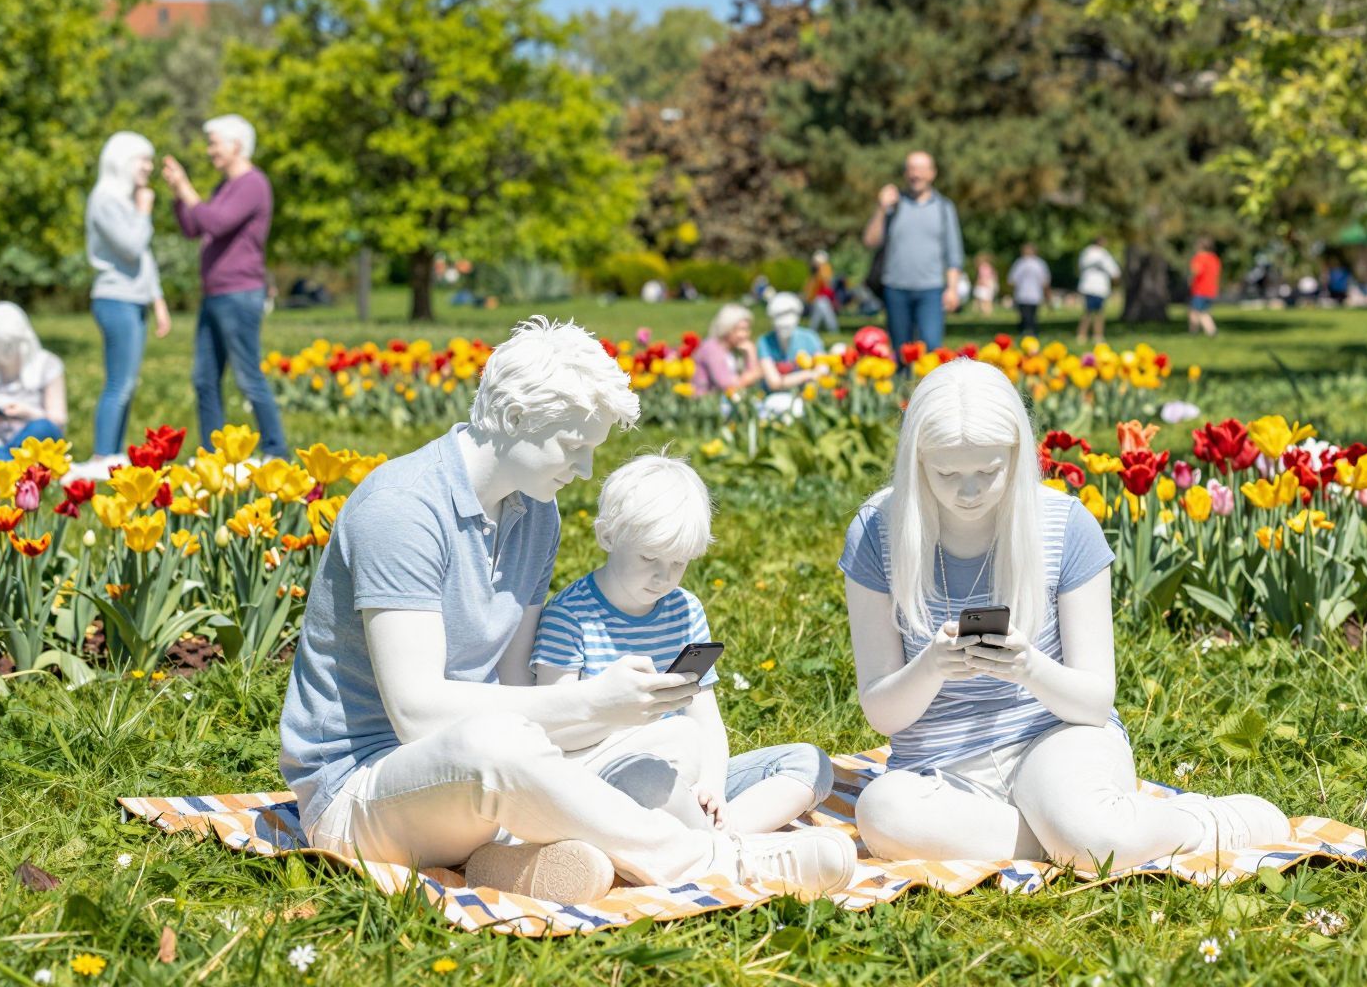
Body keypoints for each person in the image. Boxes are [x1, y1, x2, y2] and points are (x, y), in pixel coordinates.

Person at [278, 317, 855, 903]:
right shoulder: (403, 509)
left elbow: (513, 682)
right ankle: (715, 859)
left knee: (675, 743)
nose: (583, 470)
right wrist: (588, 702)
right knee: (498, 747)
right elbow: (417, 716)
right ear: (514, 417)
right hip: (361, 790)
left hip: (478, 777)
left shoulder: (535, 513)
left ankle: (515, 859)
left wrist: (618, 712)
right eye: (574, 446)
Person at [840, 360, 1290, 869]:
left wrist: (1027, 666)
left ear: (1018, 455)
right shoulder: (878, 531)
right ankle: (1075, 839)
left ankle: (1204, 823)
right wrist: (933, 666)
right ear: (916, 461)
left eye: (989, 471)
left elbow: (1094, 703)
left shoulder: (1062, 524)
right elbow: (882, 713)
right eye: (947, 474)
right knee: (881, 811)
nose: (969, 492)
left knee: (1079, 822)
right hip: (938, 769)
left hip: (1053, 739)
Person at [534, 455, 834, 834]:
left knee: (810, 764)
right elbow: (553, 731)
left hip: (685, 773)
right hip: (605, 778)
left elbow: (705, 718)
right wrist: (620, 711)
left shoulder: (684, 609)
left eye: (678, 563)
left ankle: (718, 837)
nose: (663, 576)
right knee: (673, 745)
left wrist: (711, 784)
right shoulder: (570, 615)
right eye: (648, 557)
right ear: (607, 536)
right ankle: (706, 841)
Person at [163, 114, 287, 460]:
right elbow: (194, 227)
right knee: (204, 379)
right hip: (216, 294)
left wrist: (187, 188)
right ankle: (213, 456)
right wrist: (178, 194)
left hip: (239, 293)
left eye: (214, 143)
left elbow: (216, 222)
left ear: (236, 144)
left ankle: (276, 452)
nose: (209, 150)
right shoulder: (225, 186)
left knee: (248, 377)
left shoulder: (253, 183)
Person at [86, 131, 172, 462]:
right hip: (115, 299)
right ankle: (102, 454)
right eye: (144, 160)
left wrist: (158, 302)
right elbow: (133, 247)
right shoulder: (104, 200)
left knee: (127, 384)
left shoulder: (122, 201)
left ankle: (112, 452)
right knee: (119, 383)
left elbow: (144, 258)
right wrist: (144, 210)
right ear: (123, 160)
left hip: (134, 300)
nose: (148, 167)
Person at [863, 151, 964, 355]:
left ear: (932, 173)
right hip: (895, 288)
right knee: (901, 353)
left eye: (920, 169)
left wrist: (952, 289)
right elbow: (870, 241)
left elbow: (954, 253)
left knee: (932, 349)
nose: (915, 174)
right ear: (905, 173)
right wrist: (881, 209)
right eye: (911, 169)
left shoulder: (944, 208)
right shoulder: (893, 206)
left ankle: (930, 387)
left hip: (932, 290)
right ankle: (903, 387)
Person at [0, 303, 68, 462]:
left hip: (30, 441)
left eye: (10, 344)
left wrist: (27, 413)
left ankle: (2, 464)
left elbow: (58, 420)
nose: (5, 351)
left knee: (41, 428)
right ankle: (6, 463)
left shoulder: (48, 364)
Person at [757, 294, 828, 396]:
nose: (784, 323)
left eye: (789, 314)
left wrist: (786, 381)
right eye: (779, 316)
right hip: (776, 396)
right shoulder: (765, 342)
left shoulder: (810, 338)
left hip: (808, 394)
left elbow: (823, 369)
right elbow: (774, 383)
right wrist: (807, 374)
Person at [689, 304, 763, 400]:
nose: (745, 335)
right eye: (740, 329)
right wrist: (753, 375)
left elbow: (752, 381)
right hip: (706, 401)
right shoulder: (712, 348)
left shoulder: (735, 349)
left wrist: (751, 354)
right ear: (727, 328)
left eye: (747, 329)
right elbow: (726, 384)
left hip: (727, 399)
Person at [1075, 236, 1121, 344]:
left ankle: (1088, 335)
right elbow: (1114, 272)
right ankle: (1092, 335)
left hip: (1092, 286)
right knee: (1095, 312)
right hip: (1096, 287)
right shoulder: (1100, 254)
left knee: (1091, 311)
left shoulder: (1087, 253)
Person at [1006, 244, 1050, 340]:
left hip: (1023, 294)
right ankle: (1031, 333)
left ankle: (1027, 333)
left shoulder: (1020, 263)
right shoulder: (1039, 263)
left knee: (1026, 316)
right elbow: (1045, 281)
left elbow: (1012, 280)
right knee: (1031, 316)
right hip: (1034, 295)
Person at [1187, 238, 1221, 337]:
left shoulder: (1199, 258)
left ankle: (1192, 333)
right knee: (1204, 312)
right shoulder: (1214, 258)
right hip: (1211, 290)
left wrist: (1190, 279)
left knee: (1194, 312)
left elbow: (1196, 271)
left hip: (1200, 290)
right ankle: (1212, 332)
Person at [805, 251, 841, 336]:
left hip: (822, 296)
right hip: (819, 296)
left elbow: (826, 283)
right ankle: (812, 330)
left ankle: (833, 330)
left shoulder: (824, 269)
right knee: (817, 315)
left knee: (827, 315)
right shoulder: (819, 270)